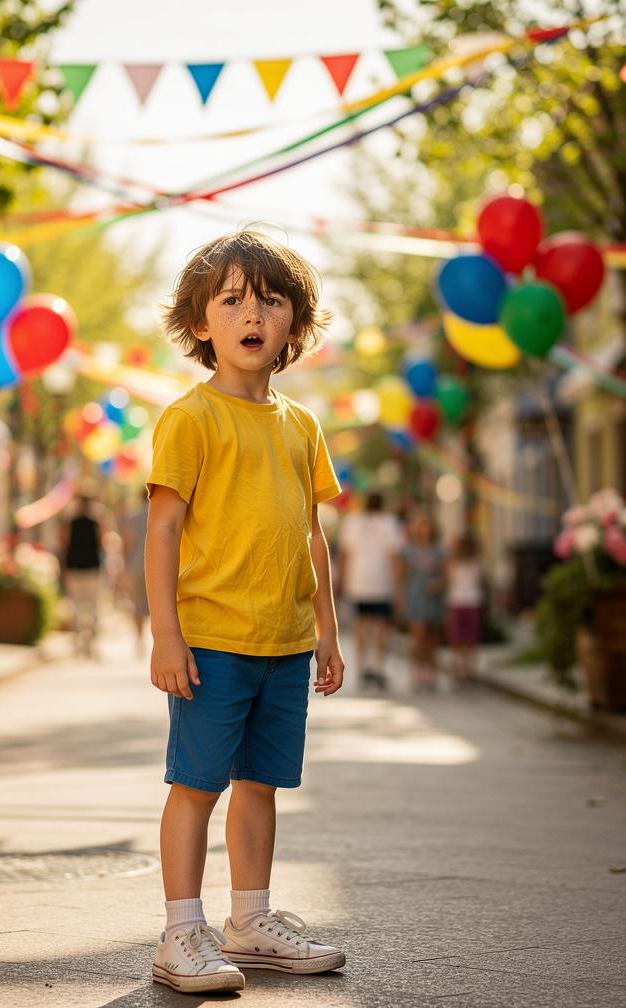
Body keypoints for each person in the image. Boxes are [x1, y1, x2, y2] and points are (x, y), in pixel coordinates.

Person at [146, 230, 346, 994]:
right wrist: (166, 632)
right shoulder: (191, 419)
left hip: (285, 641)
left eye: (270, 299)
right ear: (201, 324)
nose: (251, 312)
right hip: (212, 639)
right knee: (197, 786)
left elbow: (311, 534)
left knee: (260, 785)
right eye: (230, 300)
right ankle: (179, 930)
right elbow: (163, 529)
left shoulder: (301, 426)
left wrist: (326, 630)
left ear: (295, 322)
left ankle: (251, 919)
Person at [336, 491, 403, 690]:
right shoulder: (390, 522)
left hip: (358, 581)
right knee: (381, 627)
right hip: (382, 581)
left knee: (361, 626)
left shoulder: (352, 521)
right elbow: (393, 555)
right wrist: (398, 586)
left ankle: (361, 669)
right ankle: (377, 668)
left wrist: (341, 581)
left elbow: (345, 554)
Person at [398, 510, 446, 691]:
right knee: (418, 635)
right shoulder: (409, 551)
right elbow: (403, 576)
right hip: (416, 597)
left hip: (433, 598)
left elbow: (446, 574)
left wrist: (440, 584)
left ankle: (431, 670)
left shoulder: (438, 550)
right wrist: (400, 596)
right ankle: (417, 670)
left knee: (432, 637)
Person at [61, 487, 104, 657]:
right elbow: (103, 541)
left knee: (76, 606)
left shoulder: (70, 521)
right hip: (92, 567)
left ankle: (78, 640)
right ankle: (90, 641)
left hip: (75, 567)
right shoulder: (96, 521)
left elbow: (63, 542)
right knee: (93, 606)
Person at [445, 531, 484, 684]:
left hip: (471, 601)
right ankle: (459, 669)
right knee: (458, 638)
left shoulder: (476, 562)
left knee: (468, 638)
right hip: (458, 602)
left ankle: (467, 669)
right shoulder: (453, 563)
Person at [118, 487, 150, 655]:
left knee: (138, 605)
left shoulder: (134, 518)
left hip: (135, 568)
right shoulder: (160, 515)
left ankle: (139, 638)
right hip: (157, 568)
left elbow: (125, 546)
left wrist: (123, 570)